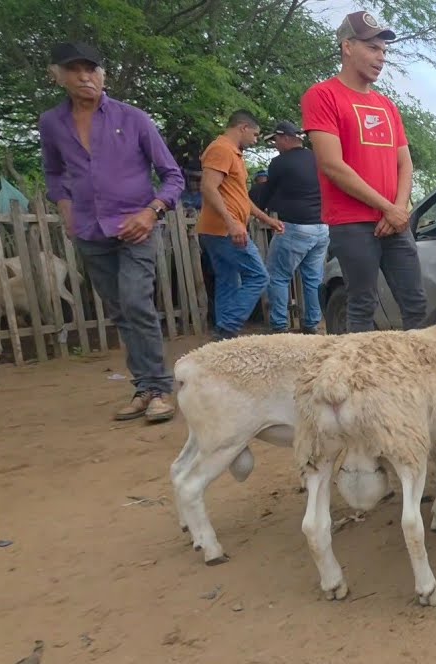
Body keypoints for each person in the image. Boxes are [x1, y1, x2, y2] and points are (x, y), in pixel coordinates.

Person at [38, 42, 184, 423]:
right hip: (90, 231)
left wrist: (151, 213)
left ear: (104, 74)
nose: (85, 77)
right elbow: (53, 172)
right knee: (121, 311)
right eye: (75, 70)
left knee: (137, 302)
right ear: (58, 75)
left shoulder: (133, 118)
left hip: (136, 228)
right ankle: (144, 386)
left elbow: (173, 176)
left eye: (92, 69)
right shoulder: (52, 123)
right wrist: (65, 207)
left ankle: (159, 389)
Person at [301, 10, 425, 333]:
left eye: (384, 51)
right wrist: (388, 208)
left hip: (394, 220)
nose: (381, 57)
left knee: (416, 303)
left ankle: (422, 377)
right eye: (373, 48)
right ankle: (361, 379)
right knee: (362, 303)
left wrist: (398, 209)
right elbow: (332, 165)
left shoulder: (388, 105)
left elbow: (405, 163)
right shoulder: (322, 96)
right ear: (348, 47)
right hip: (352, 223)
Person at [196, 110, 284, 340]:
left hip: (219, 229)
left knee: (227, 280)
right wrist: (232, 223)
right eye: (254, 135)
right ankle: (228, 327)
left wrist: (267, 220)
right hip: (224, 230)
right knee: (258, 276)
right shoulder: (221, 149)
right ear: (242, 127)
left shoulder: (233, 153)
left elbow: (241, 198)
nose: (255, 140)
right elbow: (208, 187)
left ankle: (224, 337)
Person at [255, 120, 329, 334]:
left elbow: (266, 194)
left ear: (287, 138)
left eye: (277, 139)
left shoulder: (280, 163)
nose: (276, 144)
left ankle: (279, 326)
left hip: (296, 227)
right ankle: (312, 324)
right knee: (313, 278)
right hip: (322, 228)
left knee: (278, 276)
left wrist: (258, 209)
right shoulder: (318, 158)